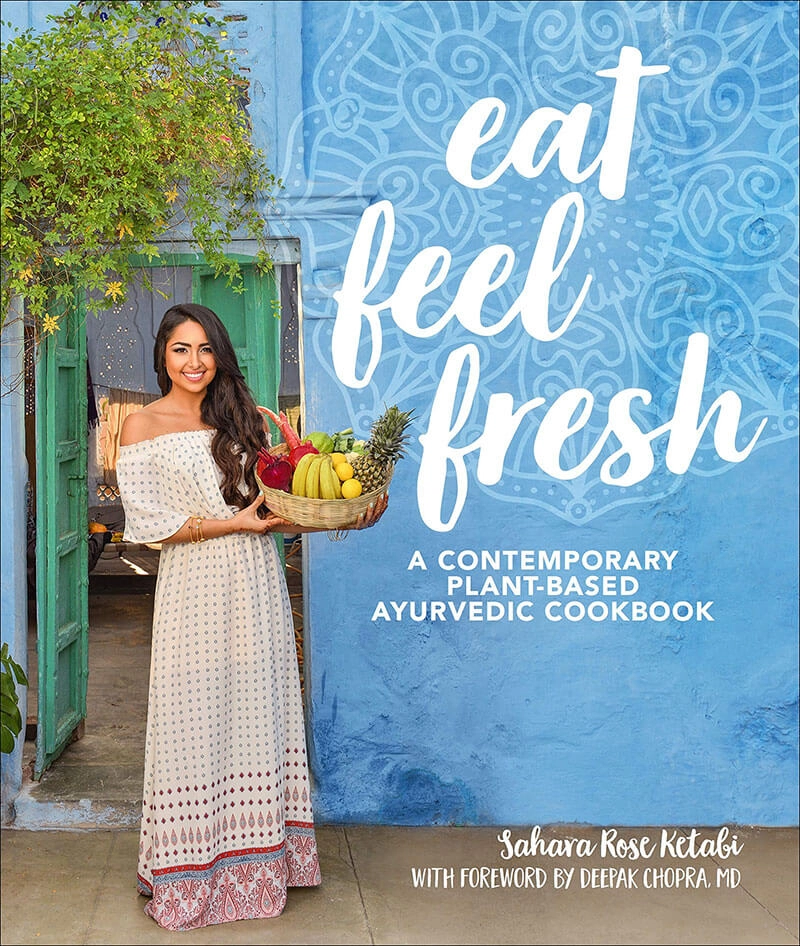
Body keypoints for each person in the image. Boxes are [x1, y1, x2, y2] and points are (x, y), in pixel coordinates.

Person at [116, 303, 386, 931]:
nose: (194, 362)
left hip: (257, 588)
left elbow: (270, 512)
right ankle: (186, 870)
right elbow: (151, 526)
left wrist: (345, 516)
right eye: (181, 349)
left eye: (206, 349)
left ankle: (259, 863)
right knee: (193, 721)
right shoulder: (140, 427)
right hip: (193, 591)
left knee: (255, 713)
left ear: (220, 356)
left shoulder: (238, 419)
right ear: (163, 354)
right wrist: (229, 525)